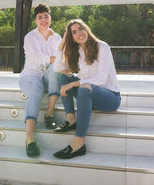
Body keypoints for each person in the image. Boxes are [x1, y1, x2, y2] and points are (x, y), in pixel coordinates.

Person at [52, 19, 121, 159]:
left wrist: (74, 84)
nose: (79, 33)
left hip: (110, 98)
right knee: (62, 78)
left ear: (86, 29)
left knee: (83, 87)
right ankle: (71, 119)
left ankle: (79, 143)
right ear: (71, 37)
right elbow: (57, 68)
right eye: (74, 32)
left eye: (80, 28)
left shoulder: (102, 47)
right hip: (88, 95)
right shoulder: (76, 52)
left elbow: (101, 78)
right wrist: (62, 43)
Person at [19, 3, 61, 157]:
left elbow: (59, 61)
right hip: (31, 75)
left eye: (46, 16)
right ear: (35, 21)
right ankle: (29, 139)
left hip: (49, 76)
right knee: (36, 90)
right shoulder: (30, 37)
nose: (43, 20)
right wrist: (58, 59)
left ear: (50, 18)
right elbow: (38, 59)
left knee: (56, 68)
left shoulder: (57, 37)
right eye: (40, 17)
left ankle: (49, 114)